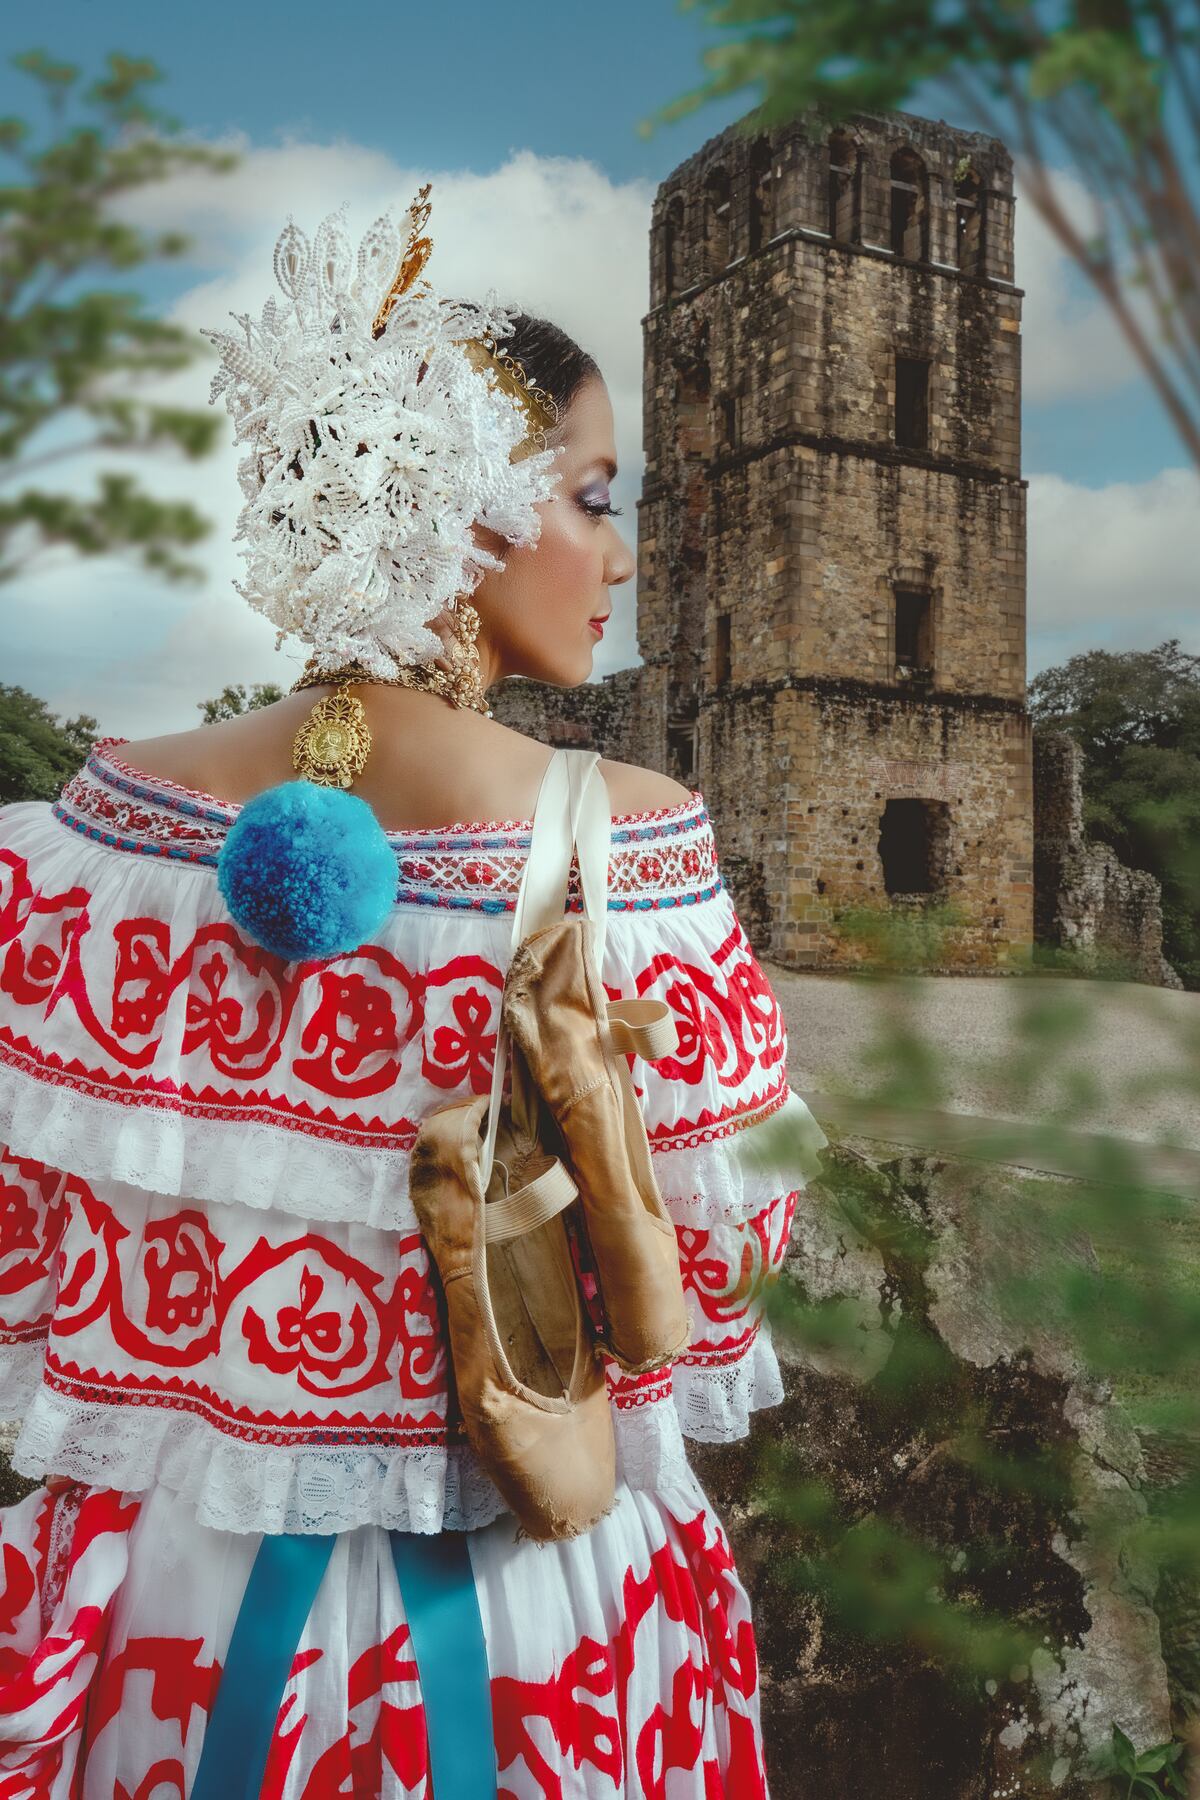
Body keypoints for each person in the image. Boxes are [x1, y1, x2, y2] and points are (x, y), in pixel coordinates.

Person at [0, 189, 828, 1796]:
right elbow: (728, 1269)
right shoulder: (626, 846)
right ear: (463, 512)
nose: (625, 549)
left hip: (163, 1598)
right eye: (593, 493)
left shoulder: (78, 840)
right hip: (529, 1597)